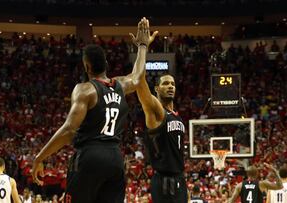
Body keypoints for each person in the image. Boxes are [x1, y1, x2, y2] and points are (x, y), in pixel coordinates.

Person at [31, 17, 158, 203]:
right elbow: (138, 77)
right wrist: (142, 46)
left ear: (87, 66)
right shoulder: (120, 85)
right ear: (106, 65)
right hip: (115, 158)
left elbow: (69, 130)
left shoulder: (84, 90)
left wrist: (39, 157)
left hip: (90, 156)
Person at [135, 69, 187, 200]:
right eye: (165, 83)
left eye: (173, 84)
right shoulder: (157, 114)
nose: (170, 86)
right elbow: (141, 86)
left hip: (179, 178)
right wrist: (142, 49)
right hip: (163, 179)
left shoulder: (178, 117)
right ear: (157, 89)